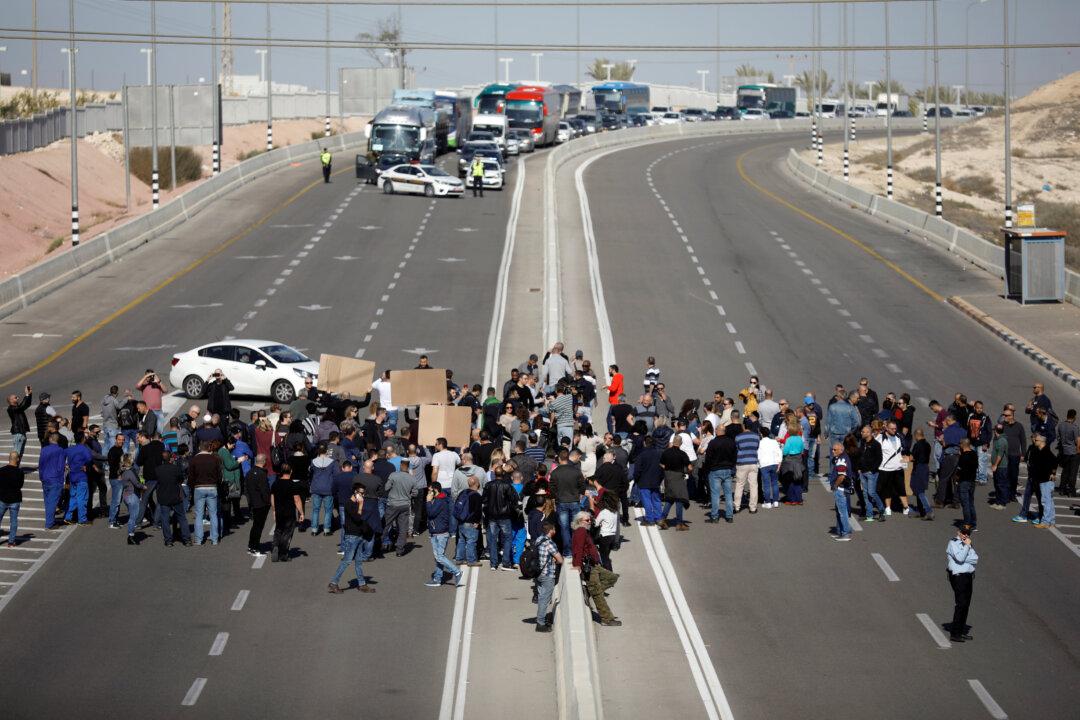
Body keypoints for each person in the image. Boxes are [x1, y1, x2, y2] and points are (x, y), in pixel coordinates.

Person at [571, 511, 621, 627]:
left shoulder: (585, 531)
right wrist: (578, 565)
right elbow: (577, 549)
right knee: (598, 593)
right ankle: (607, 619)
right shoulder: (581, 531)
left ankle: (588, 592)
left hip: (595, 565)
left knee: (612, 577)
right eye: (587, 520)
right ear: (580, 521)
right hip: (588, 566)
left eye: (590, 520)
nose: (590, 522)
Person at [329, 484, 377, 594]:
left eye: (364, 493)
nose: (363, 495)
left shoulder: (356, 503)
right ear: (355, 492)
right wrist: (360, 505)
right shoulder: (349, 504)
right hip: (351, 536)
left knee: (359, 561)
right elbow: (357, 518)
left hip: (359, 535)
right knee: (347, 561)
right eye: (361, 493)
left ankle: (362, 584)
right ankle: (333, 583)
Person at [425, 481, 463, 587]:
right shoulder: (440, 499)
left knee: (439, 556)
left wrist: (428, 502)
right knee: (438, 557)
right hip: (437, 532)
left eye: (430, 490)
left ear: (435, 490)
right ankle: (437, 578)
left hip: (439, 533)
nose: (428, 492)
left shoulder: (439, 501)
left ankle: (457, 572)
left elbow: (431, 513)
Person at [482, 467, 520, 571]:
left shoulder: (489, 485)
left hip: (492, 516)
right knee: (508, 538)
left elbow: (484, 499)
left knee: (493, 539)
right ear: (503, 474)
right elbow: (514, 499)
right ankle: (505, 562)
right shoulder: (507, 486)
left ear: (494, 474)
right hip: (504, 516)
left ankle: (494, 564)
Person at [945, 523, 978, 643]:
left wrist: (965, 553)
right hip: (958, 577)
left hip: (968, 576)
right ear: (958, 532)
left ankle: (961, 630)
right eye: (963, 532)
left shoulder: (968, 544)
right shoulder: (953, 543)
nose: (965, 535)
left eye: (968, 533)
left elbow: (975, 558)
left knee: (966, 605)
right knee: (961, 604)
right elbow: (959, 559)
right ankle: (955, 633)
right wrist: (966, 547)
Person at [188, 441, 222, 546]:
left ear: (199, 448)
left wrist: (192, 486)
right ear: (209, 448)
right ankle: (214, 538)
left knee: (199, 514)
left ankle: (198, 539)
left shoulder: (194, 460)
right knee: (213, 514)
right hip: (212, 487)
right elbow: (219, 475)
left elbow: (191, 476)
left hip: (199, 487)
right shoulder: (215, 459)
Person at [155, 452, 191, 547]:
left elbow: (157, 481)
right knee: (182, 517)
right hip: (175, 495)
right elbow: (181, 479)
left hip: (163, 496)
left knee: (165, 519)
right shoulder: (176, 469)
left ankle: (168, 540)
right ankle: (186, 539)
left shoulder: (158, 470)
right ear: (170, 458)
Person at [270, 465, 305, 562]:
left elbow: (272, 498)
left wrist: (274, 510)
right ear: (291, 471)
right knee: (287, 532)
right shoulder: (293, 484)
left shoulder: (275, 483)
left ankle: (275, 545)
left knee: (278, 529)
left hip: (279, 511)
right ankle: (283, 553)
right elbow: (297, 499)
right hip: (289, 512)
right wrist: (301, 513)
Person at [533, 521, 562, 633]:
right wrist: (555, 559)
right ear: (551, 531)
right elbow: (560, 560)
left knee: (541, 597)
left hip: (538, 573)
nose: (555, 531)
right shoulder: (550, 543)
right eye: (554, 529)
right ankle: (540, 624)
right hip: (547, 574)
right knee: (545, 599)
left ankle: (541, 619)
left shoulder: (539, 540)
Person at [0, 451, 27, 547]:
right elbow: (20, 485)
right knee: (13, 521)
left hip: (2, 498)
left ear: (9, 458)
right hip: (15, 499)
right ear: (18, 459)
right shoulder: (20, 472)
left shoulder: (1, 470)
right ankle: (11, 542)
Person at [247, 454, 272, 556]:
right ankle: (255, 548)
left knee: (255, 526)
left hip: (253, 502)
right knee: (258, 527)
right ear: (264, 462)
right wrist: (268, 502)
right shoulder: (262, 474)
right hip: (261, 504)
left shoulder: (250, 472)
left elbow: (247, 489)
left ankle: (251, 546)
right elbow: (265, 490)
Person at [828, 442, 853, 541]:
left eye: (835, 450)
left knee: (843, 512)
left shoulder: (842, 460)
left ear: (841, 450)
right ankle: (840, 531)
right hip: (842, 488)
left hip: (841, 489)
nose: (833, 451)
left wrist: (835, 485)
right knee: (839, 511)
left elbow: (842, 476)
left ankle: (846, 533)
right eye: (832, 449)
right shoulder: (840, 458)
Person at [909, 428, 934, 520]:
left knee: (919, 491)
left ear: (916, 435)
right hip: (925, 467)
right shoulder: (927, 444)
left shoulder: (917, 445)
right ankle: (921, 511)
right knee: (918, 488)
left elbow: (912, 457)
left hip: (919, 468)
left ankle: (928, 511)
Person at [119, 453, 142, 545]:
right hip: (132, 495)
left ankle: (131, 534)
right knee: (133, 517)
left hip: (126, 495)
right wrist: (143, 487)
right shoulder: (130, 472)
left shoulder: (123, 471)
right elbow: (136, 483)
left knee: (132, 515)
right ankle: (131, 535)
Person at [956, 439, 978, 530]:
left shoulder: (963, 457)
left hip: (964, 482)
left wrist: (957, 478)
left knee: (965, 504)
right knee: (971, 503)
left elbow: (959, 470)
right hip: (972, 481)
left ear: (962, 445)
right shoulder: (974, 454)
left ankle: (967, 524)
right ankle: (973, 523)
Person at [757, 427, 782, 509]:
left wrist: (758, 465)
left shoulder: (760, 443)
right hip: (774, 463)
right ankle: (775, 501)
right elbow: (779, 452)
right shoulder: (774, 442)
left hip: (764, 465)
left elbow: (758, 455)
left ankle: (768, 502)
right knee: (775, 483)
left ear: (761, 434)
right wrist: (779, 463)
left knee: (766, 484)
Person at [1057, 409, 1079, 497]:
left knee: (1065, 471)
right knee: (1073, 472)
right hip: (1073, 452)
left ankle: (1062, 489)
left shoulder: (1061, 425)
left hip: (1064, 451)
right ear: (1074, 417)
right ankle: (1071, 490)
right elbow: (1077, 441)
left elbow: (1058, 437)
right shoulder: (1074, 427)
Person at [7, 386, 32, 459]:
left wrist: (29, 395)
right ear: (11, 400)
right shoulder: (11, 409)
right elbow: (22, 407)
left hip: (21, 432)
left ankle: (16, 468)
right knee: (16, 453)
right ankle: (12, 468)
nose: (17, 398)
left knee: (19, 454)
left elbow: (26, 405)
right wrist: (26, 395)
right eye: (15, 397)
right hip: (18, 433)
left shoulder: (17, 408)